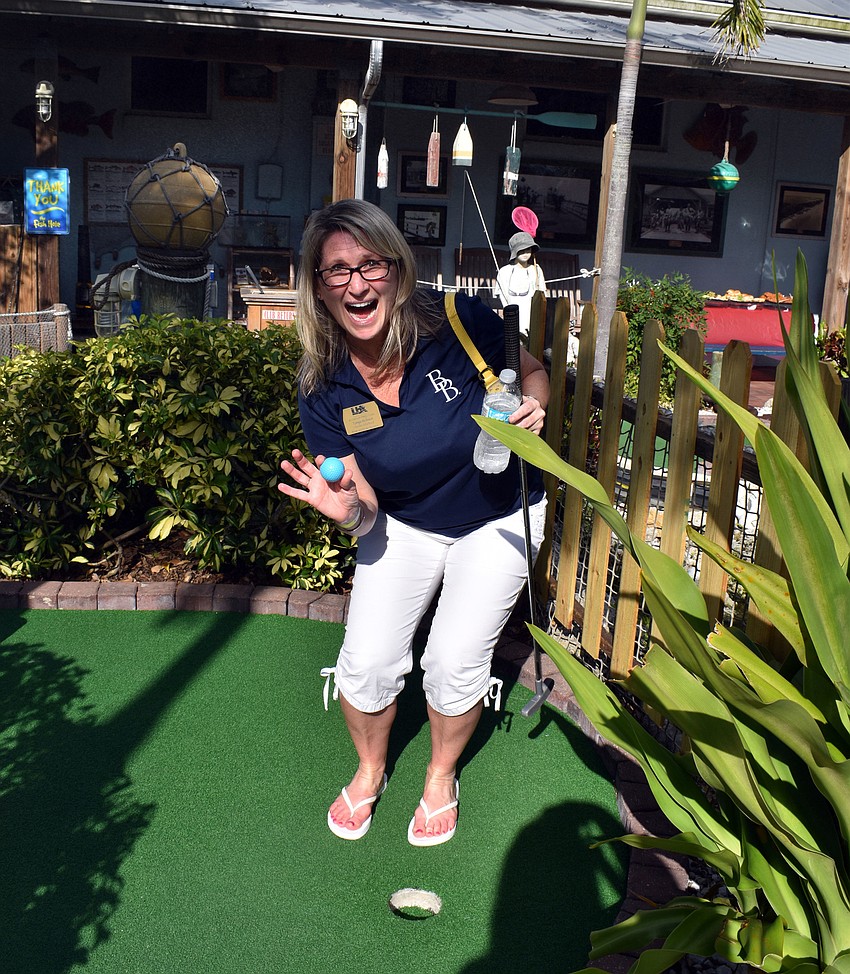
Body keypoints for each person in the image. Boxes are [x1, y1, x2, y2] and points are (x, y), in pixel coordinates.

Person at [278, 199, 549, 846]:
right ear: (318, 286)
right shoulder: (322, 386)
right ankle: (371, 769)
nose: (357, 283)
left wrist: (533, 408)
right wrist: (349, 512)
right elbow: (364, 503)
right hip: (402, 520)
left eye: (372, 264)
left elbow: (534, 371)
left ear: (398, 270)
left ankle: (439, 774)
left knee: (453, 659)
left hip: (496, 516)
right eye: (338, 270)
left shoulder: (457, 321)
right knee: (367, 663)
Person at [496, 231, 547, 340]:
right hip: (512, 315)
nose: (525, 253)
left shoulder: (536, 270)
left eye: (528, 250)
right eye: (521, 250)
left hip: (532, 316)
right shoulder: (504, 272)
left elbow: (542, 295)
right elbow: (503, 297)